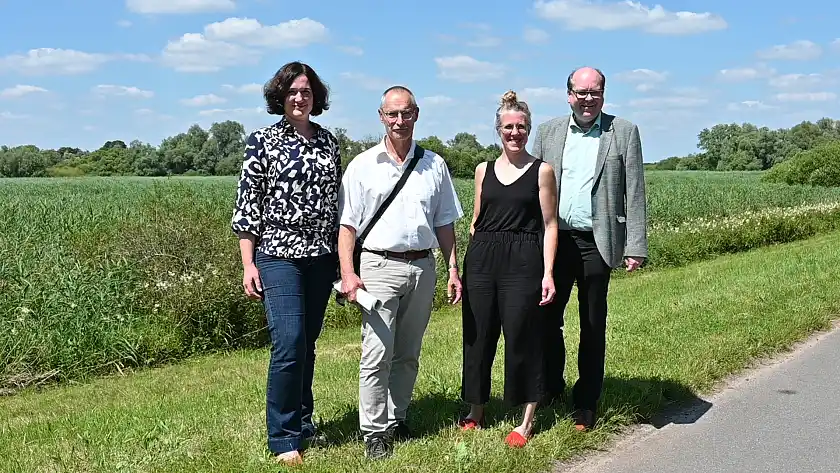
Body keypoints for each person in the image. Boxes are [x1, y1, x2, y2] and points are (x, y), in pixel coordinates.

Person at [337, 85, 464, 460]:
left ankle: (397, 418)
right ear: (381, 117)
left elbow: (444, 223)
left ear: (417, 114)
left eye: (406, 113)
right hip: (378, 265)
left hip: (423, 266)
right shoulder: (363, 165)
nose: (399, 121)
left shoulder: (433, 164)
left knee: (408, 352)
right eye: (392, 114)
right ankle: (374, 432)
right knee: (377, 353)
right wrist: (348, 272)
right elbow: (347, 226)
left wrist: (453, 268)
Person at [230, 61, 341, 466]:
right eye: (293, 91)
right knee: (289, 341)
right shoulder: (262, 142)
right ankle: (282, 436)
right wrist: (248, 263)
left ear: (316, 97)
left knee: (307, 343)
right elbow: (248, 207)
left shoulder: (329, 142)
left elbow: (336, 205)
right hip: (277, 255)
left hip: (321, 257)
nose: (300, 97)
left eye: (307, 91)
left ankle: (303, 418)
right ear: (280, 96)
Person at [531, 66, 649, 432]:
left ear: (604, 94)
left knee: (593, 324)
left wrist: (636, 245)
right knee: (547, 320)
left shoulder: (623, 131)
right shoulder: (549, 131)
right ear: (569, 95)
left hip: (598, 242)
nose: (588, 99)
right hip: (555, 241)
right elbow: (531, 184)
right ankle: (551, 387)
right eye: (581, 92)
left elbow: (635, 190)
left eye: (595, 92)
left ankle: (586, 403)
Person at [458, 91, 559, 448]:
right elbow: (475, 219)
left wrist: (548, 273)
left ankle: (526, 420)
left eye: (521, 127)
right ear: (498, 130)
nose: (514, 133)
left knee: (522, 337)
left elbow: (550, 225)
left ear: (528, 129)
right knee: (478, 335)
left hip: (523, 259)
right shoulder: (482, 170)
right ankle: (476, 410)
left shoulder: (542, 171)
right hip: (484, 257)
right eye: (508, 127)